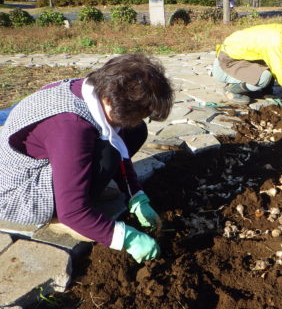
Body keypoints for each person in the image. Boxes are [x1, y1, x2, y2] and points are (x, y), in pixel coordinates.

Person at [0, 54, 174, 263]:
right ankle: (56, 219)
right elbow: (72, 212)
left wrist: (135, 195)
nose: (141, 118)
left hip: (46, 161)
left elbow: (119, 139)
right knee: (107, 155)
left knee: (134, 132)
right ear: (116, 103)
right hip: (17, 194)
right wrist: (127, 238)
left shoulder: (96, 90)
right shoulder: (70, 126)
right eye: (141, 113)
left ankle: (82, 193)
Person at [212, 21, 282, 114]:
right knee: (264, 77)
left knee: (270, 66)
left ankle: (259, 89)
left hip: (238, 58)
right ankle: (231, 89)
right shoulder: (276, 41)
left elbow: (273, 64)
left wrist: (266, 93)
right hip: (227, 63)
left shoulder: (281, 32)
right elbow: (281, 72)